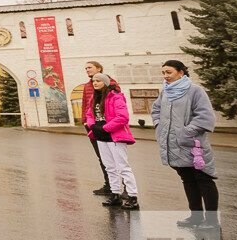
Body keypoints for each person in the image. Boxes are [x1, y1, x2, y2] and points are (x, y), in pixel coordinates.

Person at [152, 60, 219, 227]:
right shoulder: (165, 92)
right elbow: (156, 111)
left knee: (204, 180)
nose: (165, 76)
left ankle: (211, 221)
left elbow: (205, 117)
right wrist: (159, 127)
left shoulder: (195, 91)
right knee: (188, 181)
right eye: (164, 73)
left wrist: (186, 132)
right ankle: (196, 217)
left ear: (181, 73)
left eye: (169, 72)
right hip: (174, 146)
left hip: (194, 145)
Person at [84, 73, 139, 210]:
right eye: (93, 81)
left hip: (114, 136)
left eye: (98, 81)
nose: (95, 83)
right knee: (109, 167)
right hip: (101, 136)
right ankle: (115, 194)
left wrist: (105, 128)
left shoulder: (116, 97)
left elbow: (122, 117)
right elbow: (90, 114)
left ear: (105, 82)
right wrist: (93, 126)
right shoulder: (94, 98)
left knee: (123, 167)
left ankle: (132, 196)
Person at [81, 61, 116, 196]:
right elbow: (85, 104)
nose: (87, 70)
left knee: (116, 158)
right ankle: (109, 185)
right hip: (93, 126)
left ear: (99, 69)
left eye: (90, 68)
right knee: (102, 157)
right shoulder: (87, 86)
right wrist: (85, 121)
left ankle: (125, 188)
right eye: (86, 68)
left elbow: (116, 102)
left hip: (108, 125)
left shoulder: (111, 83)